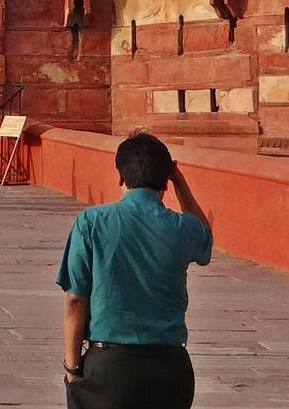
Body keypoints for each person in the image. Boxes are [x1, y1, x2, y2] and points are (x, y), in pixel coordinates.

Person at [57, 131, 213, 409]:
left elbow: (75, 300)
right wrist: (180, 182)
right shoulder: (182, 228)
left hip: (110, 368)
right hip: (170, 370)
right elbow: (204, 239)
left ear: (120, 176)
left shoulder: (92, 222)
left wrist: (71, 367)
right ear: (165, 179)